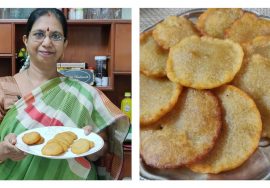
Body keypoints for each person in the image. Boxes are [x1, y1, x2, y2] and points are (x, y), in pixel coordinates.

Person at [0, 8, 129, 180]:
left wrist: (91, 146)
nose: (47, 42)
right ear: (25, 40)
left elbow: (101, 150)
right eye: (39, 34)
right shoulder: (3, 88)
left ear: (65, 44)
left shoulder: (85, 94)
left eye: (56, 36)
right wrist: (4, 150)